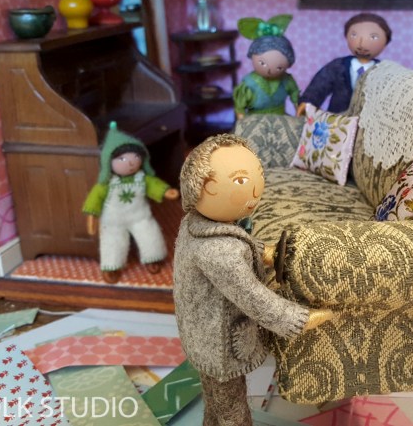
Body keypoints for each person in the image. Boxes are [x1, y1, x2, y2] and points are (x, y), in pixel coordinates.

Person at [174, 133, 334, 426]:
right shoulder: (218, 253)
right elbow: (253, 297)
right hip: (219, 344)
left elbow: (236, 241)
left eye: (258, 174)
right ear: (207, 188)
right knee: (232, 410)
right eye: (240, 180)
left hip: (200, 334)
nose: (256, 187)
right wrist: (297, 319)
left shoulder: (193, 224)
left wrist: (262, 252)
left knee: (214, 399)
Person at [82, 122, 179, 284]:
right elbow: (94, 200)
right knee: (113, 242)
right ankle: (111, 266)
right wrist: (92, 216)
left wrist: (165, 191)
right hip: (113, 221)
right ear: (108, 162)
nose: (131, 162)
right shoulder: (106, 185)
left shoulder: (142, 178)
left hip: (140, 216)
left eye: (136, 156)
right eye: (122, 158)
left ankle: (153, 258)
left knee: (151, 236)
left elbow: (153, 185)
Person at [298, 13, 391, 114]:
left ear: (386, 42)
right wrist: (308, 102)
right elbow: (319, 85)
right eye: (354, 35)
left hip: (370, 118)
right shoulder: (338, 66)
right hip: (338, 118)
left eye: (373, 37)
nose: (362, 44)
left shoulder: (384, 71)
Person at [233, 14, 299, 117]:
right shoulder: (250, 83)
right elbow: (240, 108)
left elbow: (295, 96)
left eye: (279, 67)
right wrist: (242, 121)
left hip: (280, 118)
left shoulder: (286, 80)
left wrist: (299, 111)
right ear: (252, 57)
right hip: (255, 119)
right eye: (262, 63)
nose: (269, 70)